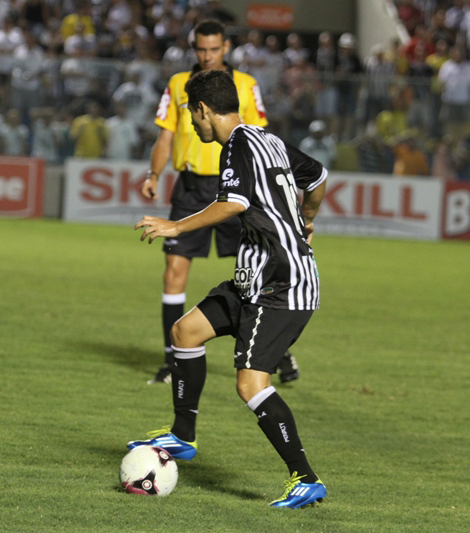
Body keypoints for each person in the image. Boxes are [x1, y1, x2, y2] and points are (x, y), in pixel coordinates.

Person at [130, 69, 328, 509]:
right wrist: (308, 219)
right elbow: (316, 176)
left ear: (203, 109)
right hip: (256, 277)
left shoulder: (236, 144)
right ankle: (183, 434)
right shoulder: (267, 139)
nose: (193, 125)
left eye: (192, 116)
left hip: (281, 284)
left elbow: (234, 203)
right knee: (185, 333)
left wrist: (175, 225)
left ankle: (305, 478)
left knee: (250, 384)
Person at [141, 20, 300, 386]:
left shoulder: (245, 86)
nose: (207, 55)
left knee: (257, 274)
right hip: (192, 187)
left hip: (238, 184)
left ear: (225, 47)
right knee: (174, 272)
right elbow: (165, 136)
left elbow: (259, 133)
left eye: (213, 49)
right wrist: (153, 175)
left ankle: (279, 350)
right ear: (193, 48)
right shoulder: (180, 84)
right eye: (201, 49)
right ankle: (173, 358)